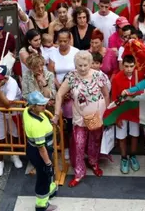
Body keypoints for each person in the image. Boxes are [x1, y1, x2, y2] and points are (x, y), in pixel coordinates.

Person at [53, 50, 109, 188]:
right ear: (75, 65)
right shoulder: (71, 76)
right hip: (79, 117)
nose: (83, 68)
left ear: (90, 63)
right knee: (78, 144)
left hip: (97, 116)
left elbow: (106, 95)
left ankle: (93, 162)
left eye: (85, 65)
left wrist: (107, 114)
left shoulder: (99, 76)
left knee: (95, 141)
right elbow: (59, 94)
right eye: (79, 65)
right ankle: (79, 173)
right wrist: (55, 113)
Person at [23, 91, 59, 211]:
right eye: (41, 105)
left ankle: (51, 190)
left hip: (33, 149)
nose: (45, 106)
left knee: (47, 174)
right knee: (43, 177)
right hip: (40, 153)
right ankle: (42, 204)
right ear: (33, 106)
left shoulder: (27, 111)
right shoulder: (35, 125)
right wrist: (48, 163)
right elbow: (41, 148)